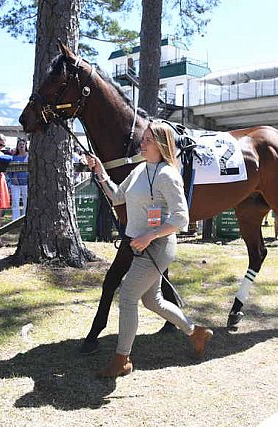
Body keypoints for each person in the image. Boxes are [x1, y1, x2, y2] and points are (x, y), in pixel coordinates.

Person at [86, 121, 213, 378]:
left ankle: (122, 359)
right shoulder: (141, 169)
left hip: (157, 247)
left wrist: (150, 235)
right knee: (152, 301)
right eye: (142, 139)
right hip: (140, 245)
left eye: (147, 140)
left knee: (128, 296)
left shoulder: (168, 174)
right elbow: (117, 196)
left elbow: (181, 219)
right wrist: (100, 172)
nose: (141, 144)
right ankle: (196, 332)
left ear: (161, 145)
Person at [10, 138, 29, 220]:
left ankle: (25, 219)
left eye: (23, 144)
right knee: (15, 202)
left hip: (26, 182)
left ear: (25, 145)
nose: (21, 146)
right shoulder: (14, 157)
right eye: (19, 144)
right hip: (15, 183)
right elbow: (11, 169)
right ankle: (15, 220)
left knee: (26, 201)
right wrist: (14, 177)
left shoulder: (29, 156)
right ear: (17, 146)